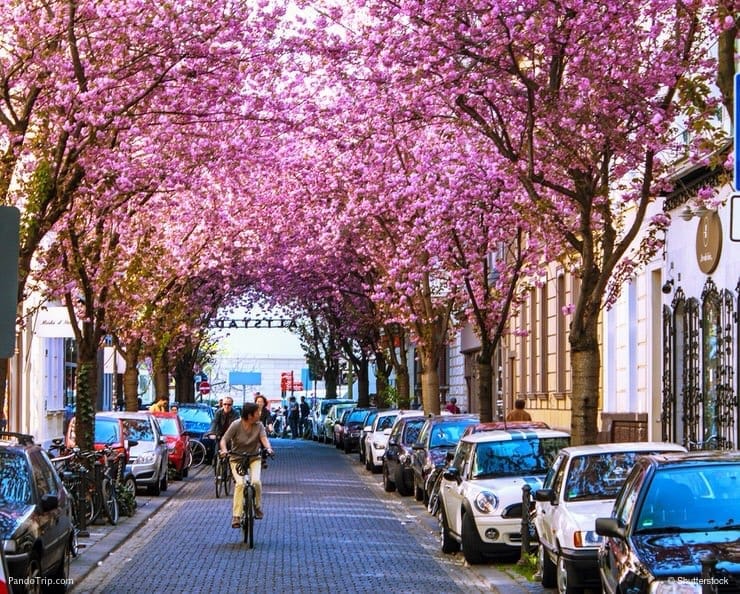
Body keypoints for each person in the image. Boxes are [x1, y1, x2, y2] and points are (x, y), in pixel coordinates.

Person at [219, 402, 274, 527]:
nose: (259, 414)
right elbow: (224, 440)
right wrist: (224, 450)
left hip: (254, 457)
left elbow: (264, 438)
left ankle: (257, 507)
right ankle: (236, 516)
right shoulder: (236, 425)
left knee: (256, 482)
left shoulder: (259, 425)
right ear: (250, 415)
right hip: (237, 458)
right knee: (240, 484)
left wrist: (269, 448)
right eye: (257, 412)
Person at [208, 397, 240, 465]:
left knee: (233, 453)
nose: (227, 406)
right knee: (217, 452)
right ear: (222, 404)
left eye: (229, 404)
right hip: (220, 434)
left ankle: (231, 469)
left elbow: (237, 424)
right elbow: (214, 422)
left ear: (232, 405)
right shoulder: (218, 412)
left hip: (230, 435)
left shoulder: (236, 413)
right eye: (225, 404)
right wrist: (212, 433)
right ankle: (216, 466)